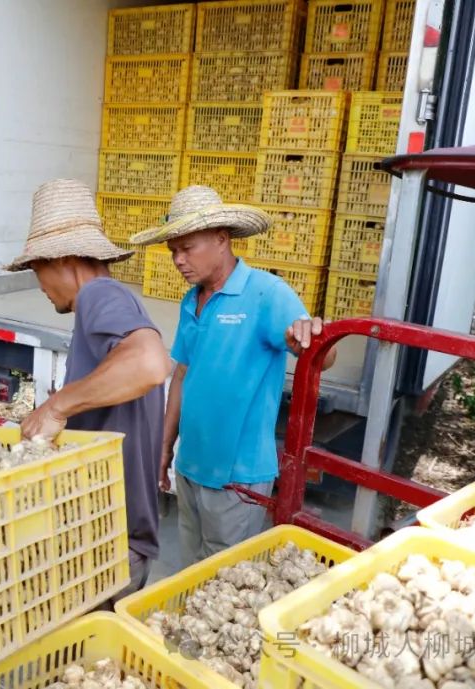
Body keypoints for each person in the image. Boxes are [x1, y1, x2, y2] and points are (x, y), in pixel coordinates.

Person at [129, 186, 337, 567]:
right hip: (190, 466)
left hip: (238, 478)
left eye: (187, 248)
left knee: (222, 579)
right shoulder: (191, 300)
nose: (178, 260)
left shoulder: (266, 294)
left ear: (221, 239)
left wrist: (312, 336)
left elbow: (324, 356)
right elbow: (182, 375)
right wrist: (165, 447)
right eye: (173, 251)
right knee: (190, 573)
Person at [6, 179, 171, 599]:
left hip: (111, 546)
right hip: (112, 538)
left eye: (37, 270)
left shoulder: (100, 293)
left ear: (62, 259)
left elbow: (151, 363)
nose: (39, 285)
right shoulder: (105, 304)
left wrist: (56, 407)